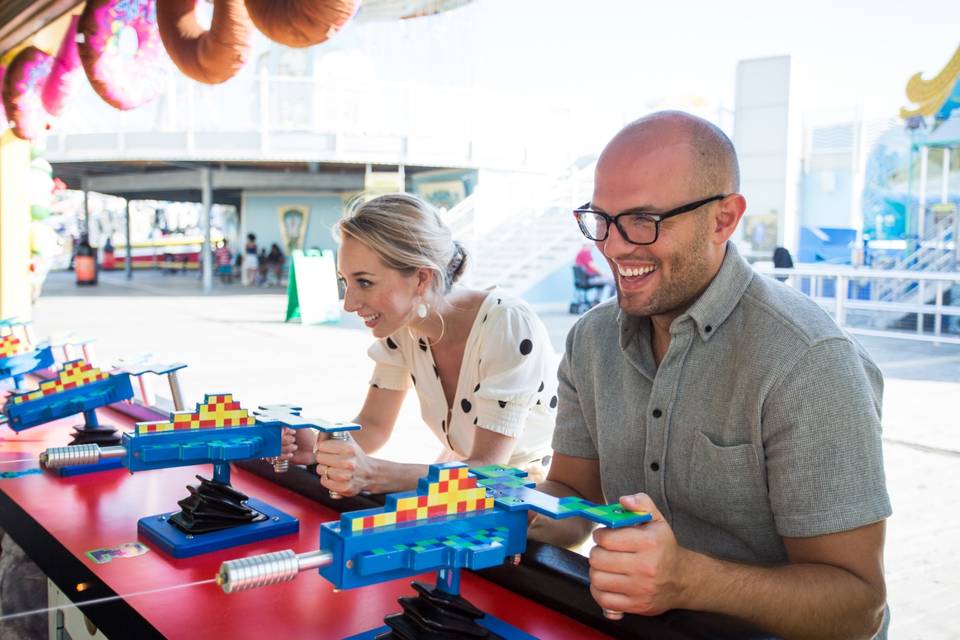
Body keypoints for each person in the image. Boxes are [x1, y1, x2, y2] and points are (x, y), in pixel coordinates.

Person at [531, 111, 890, 639]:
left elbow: (857, 607)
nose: (611, 247)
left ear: (724, 219)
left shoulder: (808, 360)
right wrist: (505, 516)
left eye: (643, 221)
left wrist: (688, 581)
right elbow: (573, 493)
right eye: (601, 219)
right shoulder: (591, 339)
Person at [282, 193, 557, 494]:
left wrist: (377, 474)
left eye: (364, 282)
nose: (348, 303)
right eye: (344, 282)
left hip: (531, 500)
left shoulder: (507, 324)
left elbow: (490, 470)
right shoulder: (402, 326)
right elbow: (373, 425)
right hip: (462, 488)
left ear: (422, 279)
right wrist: (323, 447)